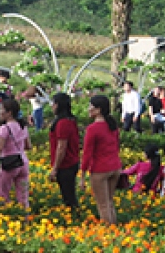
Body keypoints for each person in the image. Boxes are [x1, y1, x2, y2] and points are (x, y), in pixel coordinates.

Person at [81, 94, 122, 225]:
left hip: (100, 169)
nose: (88, 109)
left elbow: (87, 154)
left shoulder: (92, 129)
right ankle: (116, 232)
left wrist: (82, 176)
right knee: (109, 202)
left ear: (98, 110)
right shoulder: (112, 125)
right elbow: (117, 146)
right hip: (115, 167)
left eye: (90, 106)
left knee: (102, 205)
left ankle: (108, 235)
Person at [0, 98, 30, 210]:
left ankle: (6, 217)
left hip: (9, 163)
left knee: (2, 194)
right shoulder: (23, 126)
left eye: (1, 110)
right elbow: (28, 146)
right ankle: (25, 220)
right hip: (23, 162)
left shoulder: (5, 128)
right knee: (23, 196)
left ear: (9, 113)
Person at [48, 92, 80, 217]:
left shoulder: (62, 123)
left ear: (58, 105)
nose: (52, 106)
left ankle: (74, 218)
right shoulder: (70, 120)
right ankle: (73, 216)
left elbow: (61, 147)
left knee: (69, 196)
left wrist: (55, 168)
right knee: (69, 193)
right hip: (71, 162)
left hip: (66, 164)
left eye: (53, 103)